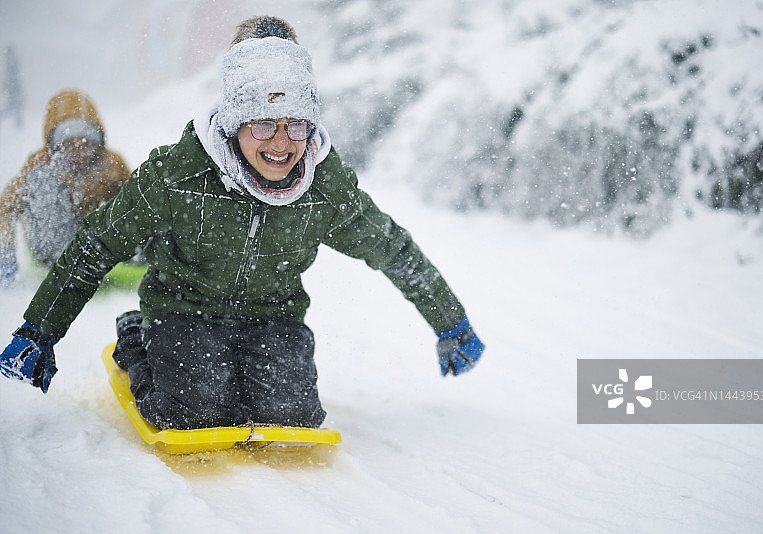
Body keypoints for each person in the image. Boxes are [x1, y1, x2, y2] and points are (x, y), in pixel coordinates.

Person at [0, 16, 485, 430]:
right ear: (234, 117)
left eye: (297, 123)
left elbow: (392, 250)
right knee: (192, 409)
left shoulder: (323, 188)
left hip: (271, 316)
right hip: (182, 310)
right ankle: (136, 336)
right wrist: (40, 330)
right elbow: (98, 245)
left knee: (291, 415)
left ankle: (239, 369)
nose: (281, 142)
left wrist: (451, 322)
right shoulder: (178, 175)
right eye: (261, 123)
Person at [0, 88, 131, 286]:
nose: (79, 153)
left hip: (99, 246)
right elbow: (6, 206)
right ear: (55, 145)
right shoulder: (41, 163)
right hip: (53, 249)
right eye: (69, 145)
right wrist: (5, 255)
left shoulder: (111, 164)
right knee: (42, 178)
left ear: (98, 143)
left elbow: (138, 202)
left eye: (85, 145)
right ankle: (66, 262)